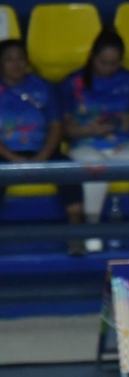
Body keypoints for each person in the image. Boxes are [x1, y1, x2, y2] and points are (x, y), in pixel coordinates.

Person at [61, 31, 129, 253]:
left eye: (114, 63)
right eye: (103, 62)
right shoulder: (73, 82)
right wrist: (88, 129)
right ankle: (92, 230)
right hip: (85, 146)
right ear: (92, 56)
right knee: (95, 168)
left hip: (122, 145)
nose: (108, 68)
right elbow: (65, 128)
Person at [0, 40, 86, 256]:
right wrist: (12, 158)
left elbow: (56, 125)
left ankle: (76, 235)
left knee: (69, 169)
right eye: (9, 59)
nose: (16, 64)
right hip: (5, 153)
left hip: (42, 150)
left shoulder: (42, 87)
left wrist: (44, 155)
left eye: (20, 58)